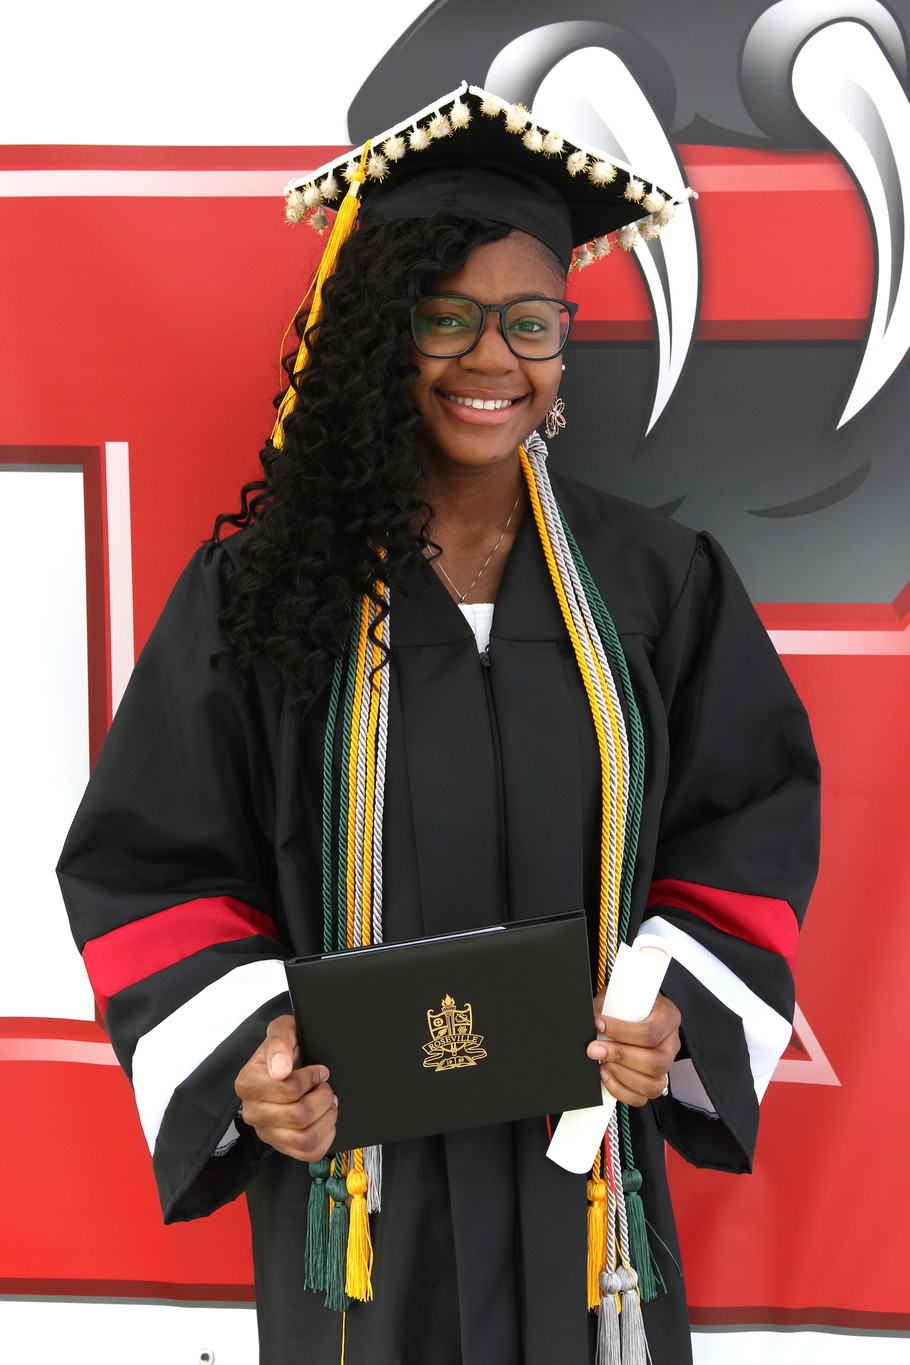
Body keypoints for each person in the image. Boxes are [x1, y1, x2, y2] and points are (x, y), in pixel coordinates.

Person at [58, 86, 820, 1365]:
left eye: (531, 321)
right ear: (380, 334)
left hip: (588, 1190)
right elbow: (151, 864)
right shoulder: (259, 593)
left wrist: (672, 1008)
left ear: (563, 340)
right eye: (445, 317)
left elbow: (746, 824)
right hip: (361, 1193)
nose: (492, 360)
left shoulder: (656, 585)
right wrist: (250, 1055)